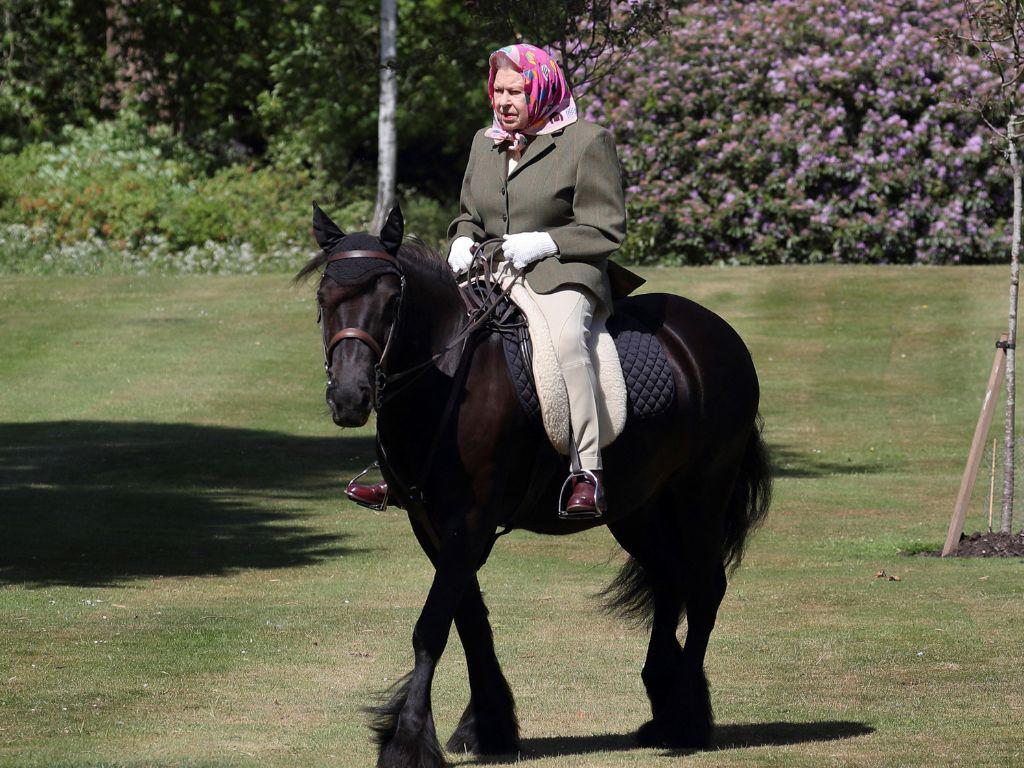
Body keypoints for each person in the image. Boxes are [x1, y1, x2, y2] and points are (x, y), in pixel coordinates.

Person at [347, 42, 639, 516]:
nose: (504, 102)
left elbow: (607, 228)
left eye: (515, 92)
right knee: (419, 334)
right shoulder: (485, 142)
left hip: (562, 272)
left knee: (568, 343)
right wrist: (462, 239)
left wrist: (546, 242)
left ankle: (586, 471)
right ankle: (397, 469)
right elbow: (469, 215)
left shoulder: (587, 141)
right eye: (498, 91)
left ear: (541, 89)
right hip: (491, 271)